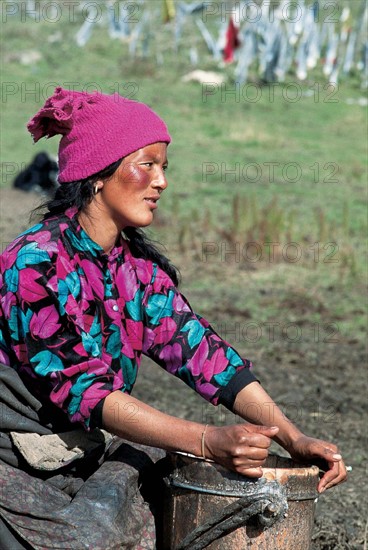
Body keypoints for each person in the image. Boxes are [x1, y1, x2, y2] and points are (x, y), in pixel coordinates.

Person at [0, 87, 347, 549]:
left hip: (78, 450)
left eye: (164, 167)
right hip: (15, 455)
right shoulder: (34, 266)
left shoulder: (134, 270)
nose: (161, 181)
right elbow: (90, 393)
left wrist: (293, 437)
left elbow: (204, 354)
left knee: (158, 481)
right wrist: (207, 441)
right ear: (98, 174)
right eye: (147, 164)